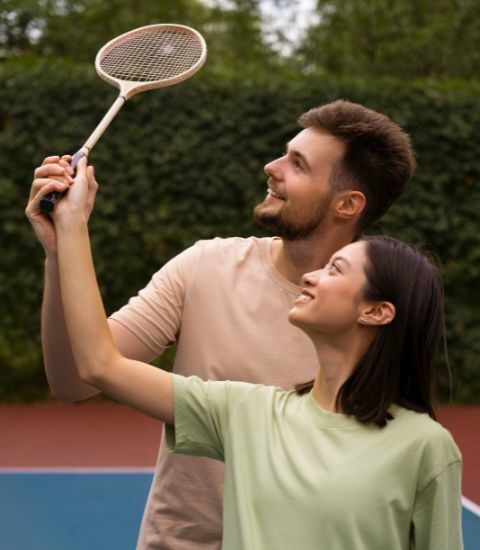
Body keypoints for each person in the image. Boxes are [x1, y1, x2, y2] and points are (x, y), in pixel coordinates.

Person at [26, 100, 417, 549]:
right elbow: (76, 378)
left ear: (347, 204)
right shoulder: (205, 265)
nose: (272, 167)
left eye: (298, 164)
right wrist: (60, 252)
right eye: (283, 153)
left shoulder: (378, 314)